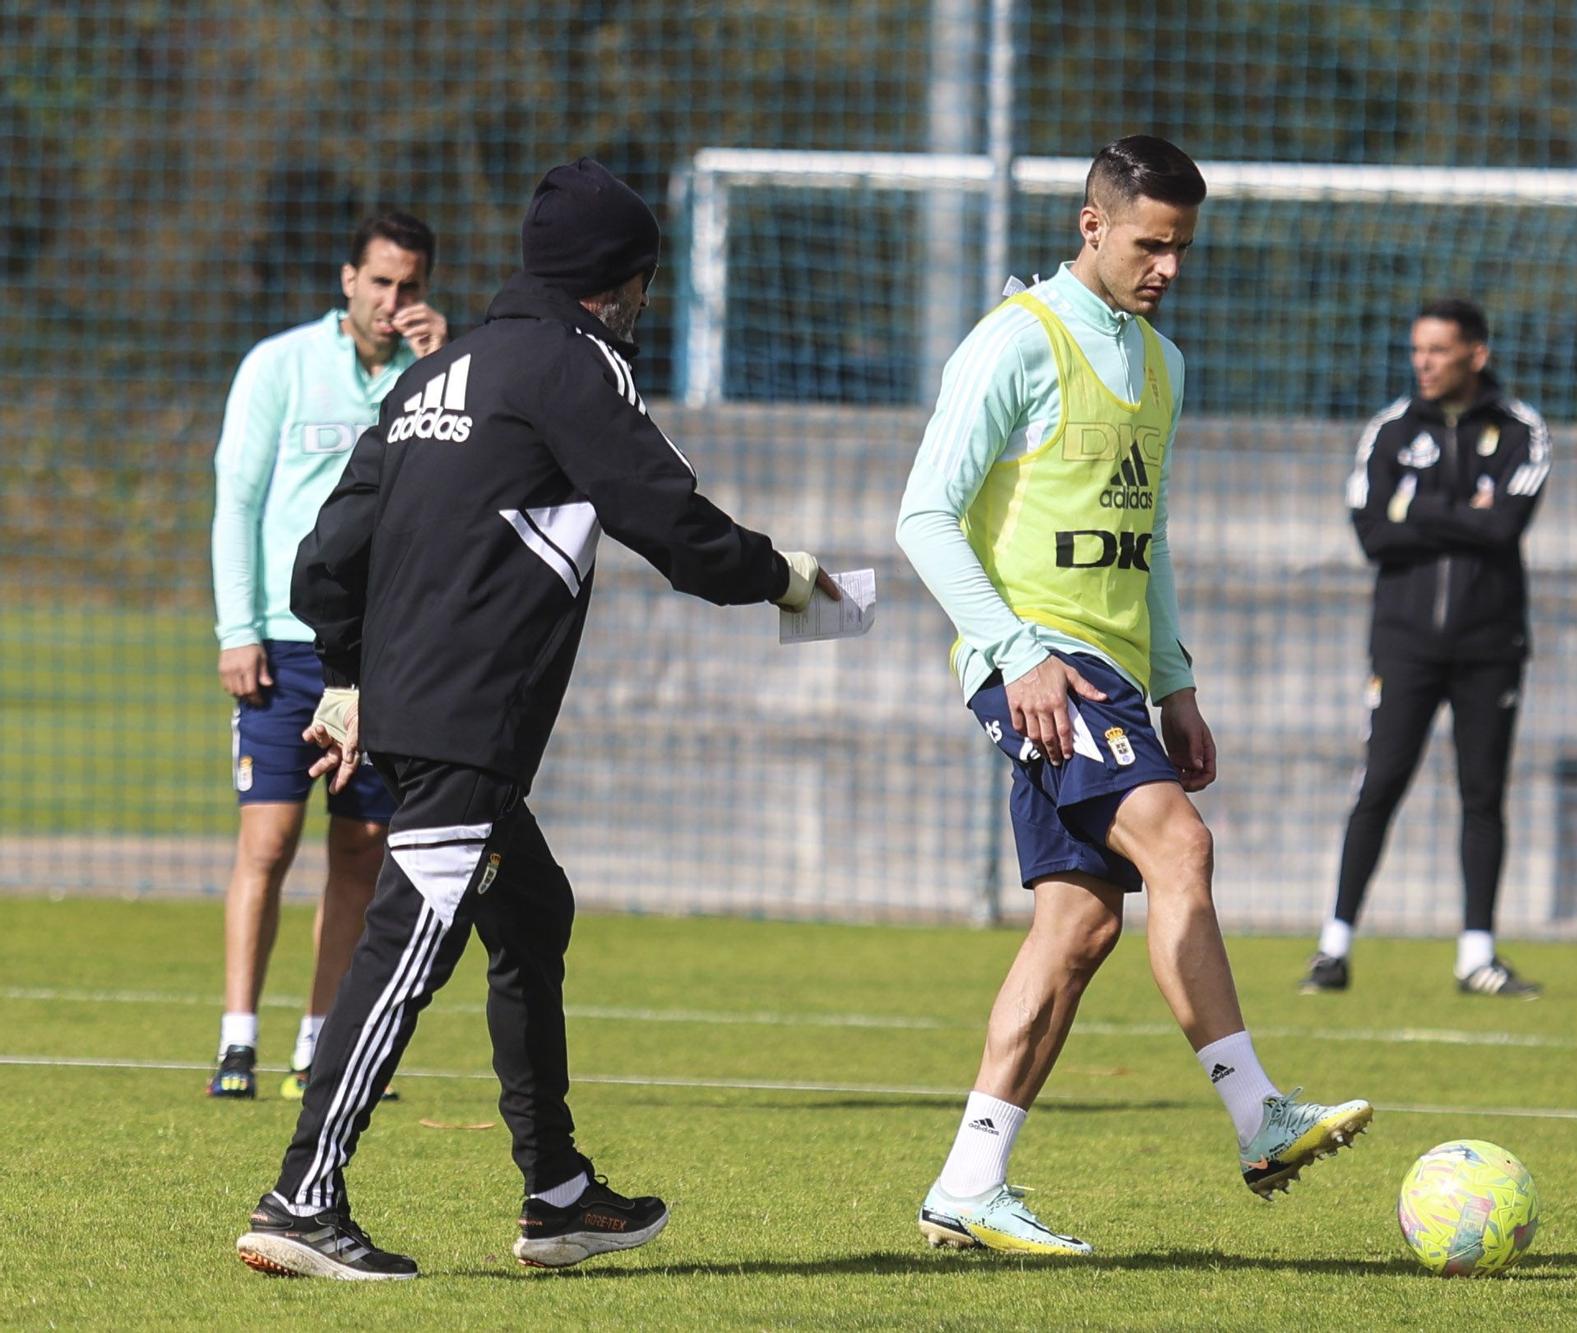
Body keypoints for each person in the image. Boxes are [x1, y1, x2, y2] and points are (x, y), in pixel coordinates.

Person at [233, 158, 839, 1281]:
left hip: (417, 702)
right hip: (467, 720)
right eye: (644, 282)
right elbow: (667, 520)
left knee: (533, 912)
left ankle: (556, 1191)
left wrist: (349, 673)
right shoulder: (573, 366)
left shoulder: (435, 375)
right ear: (621, 282)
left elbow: (329, 549)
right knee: (410, 946)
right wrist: (784, 577)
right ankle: (302, 1195)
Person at [896, 135, 1373, 1257]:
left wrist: (1177, 685)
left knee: (1078, 926)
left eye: (1181, 249)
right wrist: (1015, 654)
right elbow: (922, 515)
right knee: (1181, 846)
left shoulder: (1160, 365)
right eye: (1149, 244)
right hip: (1037, 665)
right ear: (1091, 225)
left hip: (1111, 671)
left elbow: (1144, 544)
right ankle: (1261, 1117)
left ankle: (968, 1182)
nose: (1166, 267)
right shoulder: (1017, 340)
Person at [208, 212, 448, 1101]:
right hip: (280, 641)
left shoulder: (437, 380)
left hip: (379, 650)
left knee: (363, 846)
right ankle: (238, 1039)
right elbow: (237, 500)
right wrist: (239, 628)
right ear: (348, 279)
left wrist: (435, 370)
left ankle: (321, 1042)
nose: (393, 302)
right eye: (380, 283)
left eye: (410, 286)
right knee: (267, 842)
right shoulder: (279, 366)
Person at [1300, 297, 1550, 999]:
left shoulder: (1521, 430)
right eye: (1417, 351)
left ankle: (1477, 955)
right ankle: (1333, 948)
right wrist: (1461, 511)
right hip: (1403, 644)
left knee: (1482, 793)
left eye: (1439, 351)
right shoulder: (1388, 430)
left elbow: (1505, 527)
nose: (1425, 364)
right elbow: (1372, 533)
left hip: (1490, 644)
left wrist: (1415, 508)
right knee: (1379, 783)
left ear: (1477, 353)